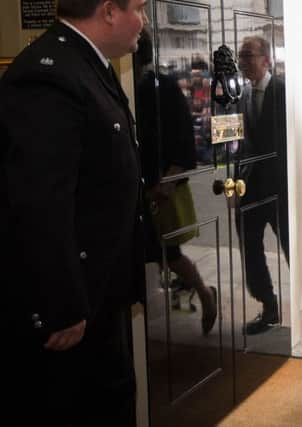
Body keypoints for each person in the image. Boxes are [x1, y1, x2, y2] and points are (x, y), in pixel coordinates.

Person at [0, 0, 149, 425]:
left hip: (101, 291)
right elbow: (40, 201)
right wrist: (61, 304)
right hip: (74, 304)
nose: (144, 20)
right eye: (138, 8)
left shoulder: (86, 63)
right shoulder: (49, 74)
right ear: (108, 11)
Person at [135, 29, 217, 335]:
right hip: (143, 186)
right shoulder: (128, 84)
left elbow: (183, 141)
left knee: (166, 252)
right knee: (158, 253)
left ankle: (205, 295)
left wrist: (166, 184)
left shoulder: (161, 86)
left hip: (162, 187)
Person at [237, 35, 289, 335]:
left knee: (289, 247)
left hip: (280, 189)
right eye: (242, 56)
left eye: (249, 55)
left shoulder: (282, 91)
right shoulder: (243, 94)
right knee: (250, 248)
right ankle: (268, 306)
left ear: (266, 60)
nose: (243, 61)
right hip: (250, 187)